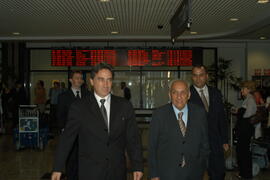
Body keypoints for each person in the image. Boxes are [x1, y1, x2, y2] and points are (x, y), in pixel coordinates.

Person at [52, 63, 143, 180]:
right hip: (90, 171)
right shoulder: (79, 107)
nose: (106, 84)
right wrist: (58, 167)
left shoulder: (124, 106)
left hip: (117, 171)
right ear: (91, 81)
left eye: (109, 80)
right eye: (101, 79)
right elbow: (67, 138)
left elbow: (133, 138)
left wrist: (137, 166)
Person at [149, 80, 209, 180]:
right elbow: (152, 147)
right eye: (175, 92)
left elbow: (205, 143)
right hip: (167, 173)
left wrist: (202, 166)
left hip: (194, 173)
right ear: (169, 95)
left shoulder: (199, 113)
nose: (179, 96)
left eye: (183, 92)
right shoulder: (159, 115)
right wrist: (154, 174)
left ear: (189, 95)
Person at [189, 65, 229, 180]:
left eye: (201, 75)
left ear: (206, 76)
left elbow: (222, 117)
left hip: (215, 142)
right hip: (196, 145)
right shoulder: (187, 95)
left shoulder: (215, 93)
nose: (198, 79)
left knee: (219, 173)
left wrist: (224, 140)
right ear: (192, 77)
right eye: (195, 76)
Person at [56, 71, 89, 180]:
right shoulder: (63, 96)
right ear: (70, 80)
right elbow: (60, 115)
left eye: (81, 78)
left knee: (85, 161)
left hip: (85, 135)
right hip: (71, 135)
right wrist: (64, 130)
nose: (79, 80)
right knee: (71, 161)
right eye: (77, 78)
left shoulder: (88, 95)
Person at [235, 81, 257, 179]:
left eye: (243, 88)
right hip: (243, 130)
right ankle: (243, 173)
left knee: (244, 153)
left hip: (245, 131)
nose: (241, 90)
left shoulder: (250, 100)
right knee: (241, 152)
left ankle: (247, 175)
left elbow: (247, 115)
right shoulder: (247, 99)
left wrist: (239, 111)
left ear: (248, 89)